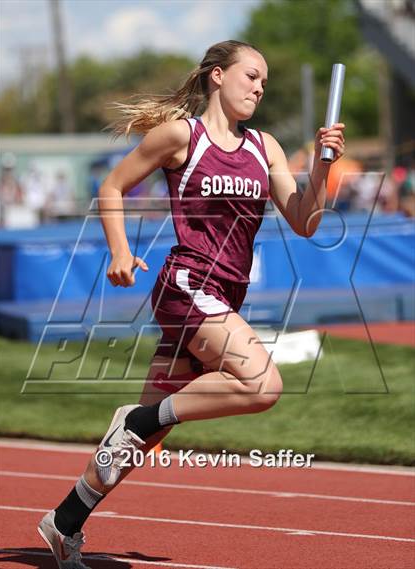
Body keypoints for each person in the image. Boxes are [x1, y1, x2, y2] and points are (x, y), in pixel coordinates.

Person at [37, 39, 345, 568]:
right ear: (218, 76)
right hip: (186, 285)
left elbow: (305, 220)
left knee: (144, 438)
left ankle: (64, 521)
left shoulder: (265, 147)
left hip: (224, 293)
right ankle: (139, 418)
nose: (260, 86)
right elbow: (112, 187)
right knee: (263, 383)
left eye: (265, 81)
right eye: (252, 75)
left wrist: (322, 171)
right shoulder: (184, 135)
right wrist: (119, 251)